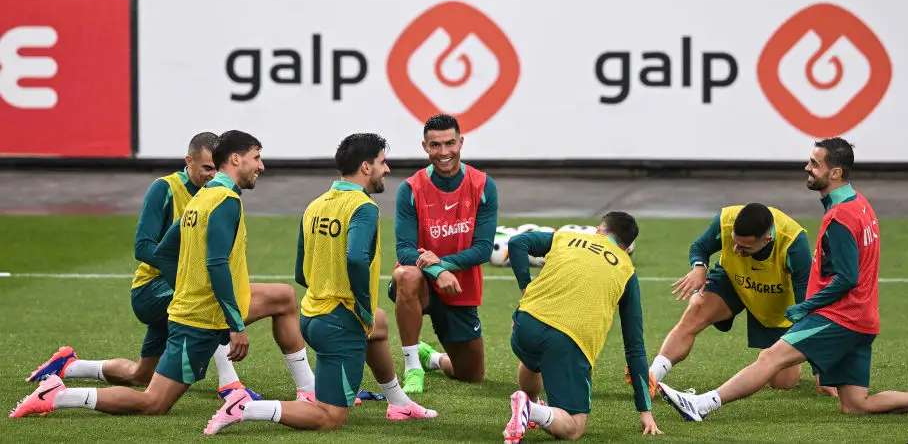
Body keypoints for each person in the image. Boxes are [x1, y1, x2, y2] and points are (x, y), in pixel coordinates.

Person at [658, 137, 908, 423]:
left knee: (770, 358)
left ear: (835, 172)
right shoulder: (861, 205)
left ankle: (700, 404)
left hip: (839, 317)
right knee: (856, 405)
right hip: (865, 320)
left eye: (815, 163)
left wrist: (806, 308)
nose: (807, 168)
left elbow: (847, 277)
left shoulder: (840, 217)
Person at [11, 130, 318, 418]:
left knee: (143, 380)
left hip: (191, 312)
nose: (261, 166)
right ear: (236, 159)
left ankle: (64, 382)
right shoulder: (224, 200)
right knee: (153, 402)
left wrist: (187, 285)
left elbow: (165, 252)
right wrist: (234, 324)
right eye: (256, 157)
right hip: (200, 319)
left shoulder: (201, 197)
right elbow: (215, 264)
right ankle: (59, 396)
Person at [204, 133, 438, 434]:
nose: (387, 169)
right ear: (366, 168)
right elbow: (355, 258)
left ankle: (398, 401)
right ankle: (246, 408)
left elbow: (301, 272)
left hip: (312, 315)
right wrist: (362, 308)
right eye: (382, 162)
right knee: (330, 418)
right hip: (340, 325)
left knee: (378, 325)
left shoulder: (315, 205)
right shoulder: (363, 208)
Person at [640, 202, 833, 395]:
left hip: (776, 301)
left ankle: (768, 363)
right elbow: (700, 247)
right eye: (734, 241)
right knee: (696, 310)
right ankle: (651, 377)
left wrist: (821, 371)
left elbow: (808, 310)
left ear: (766, 239)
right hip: (732, 279)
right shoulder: (725, 220)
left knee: (783, 383)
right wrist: (699, 267)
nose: (736, 250)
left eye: (745, 247)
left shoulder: (793, 244)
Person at [502, 211, 663, 442]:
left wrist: (525, 287)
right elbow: (634, 346)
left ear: (599, 230)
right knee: (574, 428)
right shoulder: (627, 271)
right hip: (567, 342)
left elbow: (518, 242)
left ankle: (530, 403)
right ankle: (532, 410)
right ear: (626, 248)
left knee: (534, 356)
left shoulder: (566, 236)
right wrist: (644, 410)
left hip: (524, 325)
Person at [388, 114, 498, 394]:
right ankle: (412, 366)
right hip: (423, 282)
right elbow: (404, 250)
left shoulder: (483, 186)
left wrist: (445, 264)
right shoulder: (410, 189)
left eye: (450, 143)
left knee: (471, 375)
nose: (444, 152)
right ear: (425, 147)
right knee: (407, 274)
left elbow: (484, 249)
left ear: (461, 142)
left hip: (458, 285)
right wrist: (438, 271)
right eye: (435, 145)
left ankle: (431, 357)